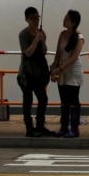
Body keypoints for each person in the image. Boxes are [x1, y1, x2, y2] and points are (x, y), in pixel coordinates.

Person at [18, 7, 55, 137]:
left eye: (37, 17)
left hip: (40, 71)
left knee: (43, 98)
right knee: (27, 100)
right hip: (27, 73)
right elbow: (27, 53)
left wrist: (42, 40)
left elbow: (44, 51)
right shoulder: (23, 34)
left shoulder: (41, 32)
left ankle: (40, 125)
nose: (36, 20)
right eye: (33, 18)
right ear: (27, 19)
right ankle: (29, 128)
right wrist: (36, 40)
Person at [49, 10, 84, 138]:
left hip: (73, 71)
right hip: (62, 69)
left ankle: (74, 129)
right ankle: (64, 127)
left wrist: (60, 68)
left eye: (67, 19)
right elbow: (58, 52)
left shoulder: (79, 37)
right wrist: (54, 65)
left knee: (73, 99)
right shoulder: (62, 34)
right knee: (64, 100)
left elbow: (74, 58)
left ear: (73, 22)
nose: (64, 20)